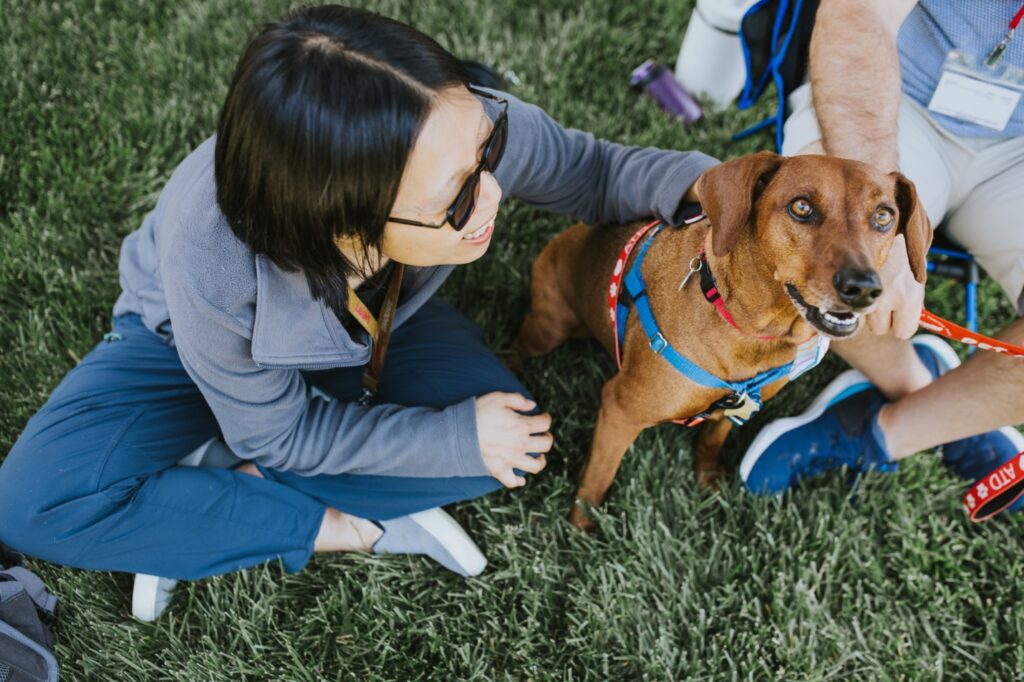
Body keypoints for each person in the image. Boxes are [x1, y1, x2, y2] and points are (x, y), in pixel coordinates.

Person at [0, 4, 717, 619]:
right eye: (458, 200)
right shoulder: (212, 260)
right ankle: (317, 520)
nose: (493, 193)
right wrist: (363, 480)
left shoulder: (454, 124)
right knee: (34, 502)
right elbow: (283, 433)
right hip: (179, 350)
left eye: (488, 152)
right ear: (342, 221)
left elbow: (594, 171)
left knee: (508, 438)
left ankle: (233, 487)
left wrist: (721, 191)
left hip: (380, 327)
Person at [741, 0, 1024, 499]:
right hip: (891, 95)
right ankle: (913, 381)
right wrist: (879, 242)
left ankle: (889, 432)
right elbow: (859, 13)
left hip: (1015, 150)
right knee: (806, 245)